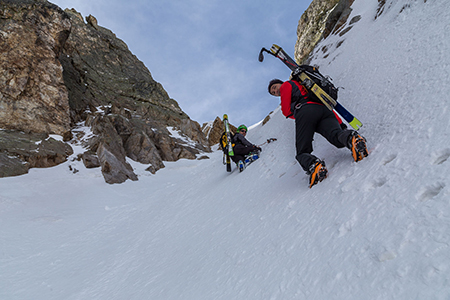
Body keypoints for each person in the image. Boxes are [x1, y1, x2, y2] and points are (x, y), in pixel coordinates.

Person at [268, 77, 368, 188]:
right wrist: (340, 125)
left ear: (279, 83)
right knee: (336, 137)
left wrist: (297, 113)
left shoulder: (286, 85)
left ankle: (314, 166)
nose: (276, 91)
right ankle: (351, 138)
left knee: (302, 151)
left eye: (275, 87)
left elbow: (286, 111)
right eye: (274, 93)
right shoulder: (303, 85)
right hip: (324, 110)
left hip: (305, 112)